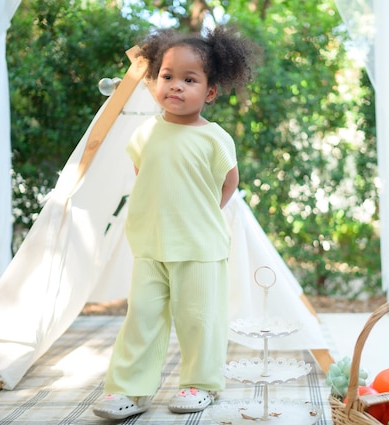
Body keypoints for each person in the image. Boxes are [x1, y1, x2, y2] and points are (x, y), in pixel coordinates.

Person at [92, 25, 260, 421]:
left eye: (190, 80)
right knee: (142, 319)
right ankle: (129, 390)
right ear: (154, 82)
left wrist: (198, 214)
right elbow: (144, 174)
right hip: (150, 245)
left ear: (211, 91)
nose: (176, 86)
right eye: (167, 77)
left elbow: (228, 184)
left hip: (200, 248)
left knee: (198, 320)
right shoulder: (146, 132)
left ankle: (201, 384)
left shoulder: (214, 138)